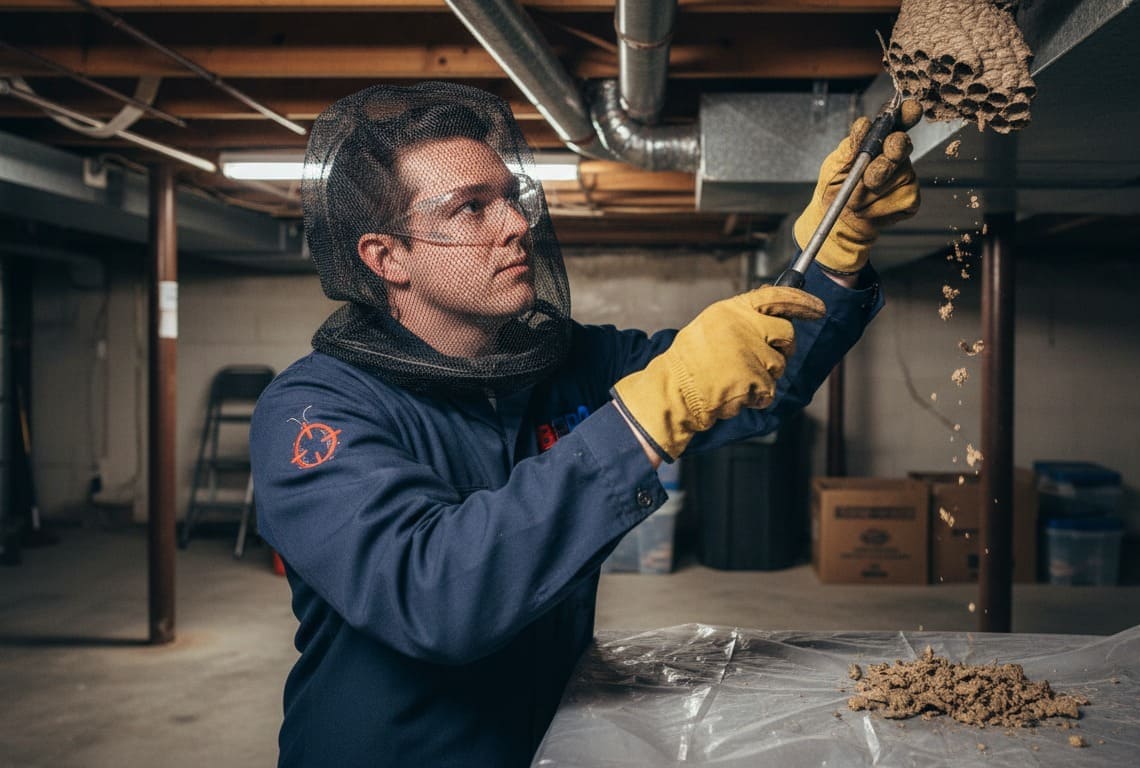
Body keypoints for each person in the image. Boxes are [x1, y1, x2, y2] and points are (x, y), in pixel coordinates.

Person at [249, 81, 920, 767]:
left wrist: (836, 257)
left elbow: (753, 383)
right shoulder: (315, 412)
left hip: (548, 743)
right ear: (387, 257)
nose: (514, 224)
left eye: (510, 197)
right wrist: (639, 421)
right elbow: (436, 596)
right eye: (470, 208)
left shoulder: (569, 361)